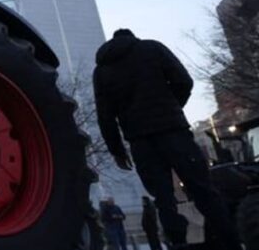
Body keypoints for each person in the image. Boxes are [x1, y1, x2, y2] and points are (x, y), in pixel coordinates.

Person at [94, 28, 240, 250]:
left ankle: (178, 244)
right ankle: (230, 243)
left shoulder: (102, 70)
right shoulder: (152, 48)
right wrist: (172, 108)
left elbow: (105, 116)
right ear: (132, 36)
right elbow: (184, 81)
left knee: (163, 200)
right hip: (173, 130)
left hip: (140, 141)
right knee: (204, 190)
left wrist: (117, 151)